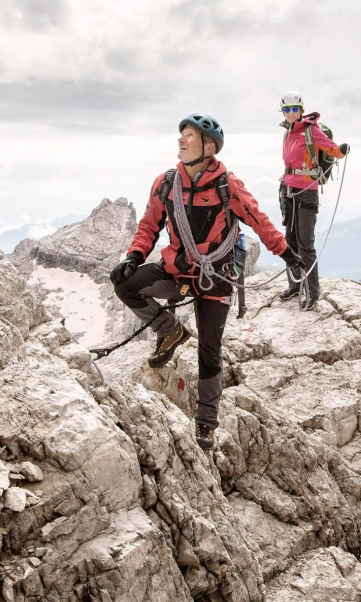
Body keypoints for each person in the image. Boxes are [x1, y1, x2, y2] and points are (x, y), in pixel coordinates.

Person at [110, 113, 305, 450]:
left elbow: (259, 221)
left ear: (208, 146)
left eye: (189, 135)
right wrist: (134, 257)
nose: (181, 140)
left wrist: (287, 255)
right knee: (126, 285)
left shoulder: (226, 184)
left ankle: (206, 422)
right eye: (181, 135)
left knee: (209, 351)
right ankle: (169, 330)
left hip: (216, 276)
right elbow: (149, 225)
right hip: (176, 270)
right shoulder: (165, 182)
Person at [277, 91, 349, 306]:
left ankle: (313, 292)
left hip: (307, 192)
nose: (290, 113)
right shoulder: (288, 132)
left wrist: (342, 151)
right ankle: (295, 285)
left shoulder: (312, 130)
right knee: (290, 241)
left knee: (305, 243)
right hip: (288, 191)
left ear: (301, 110)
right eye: (286, 109)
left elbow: (333, 150)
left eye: (294, 109)